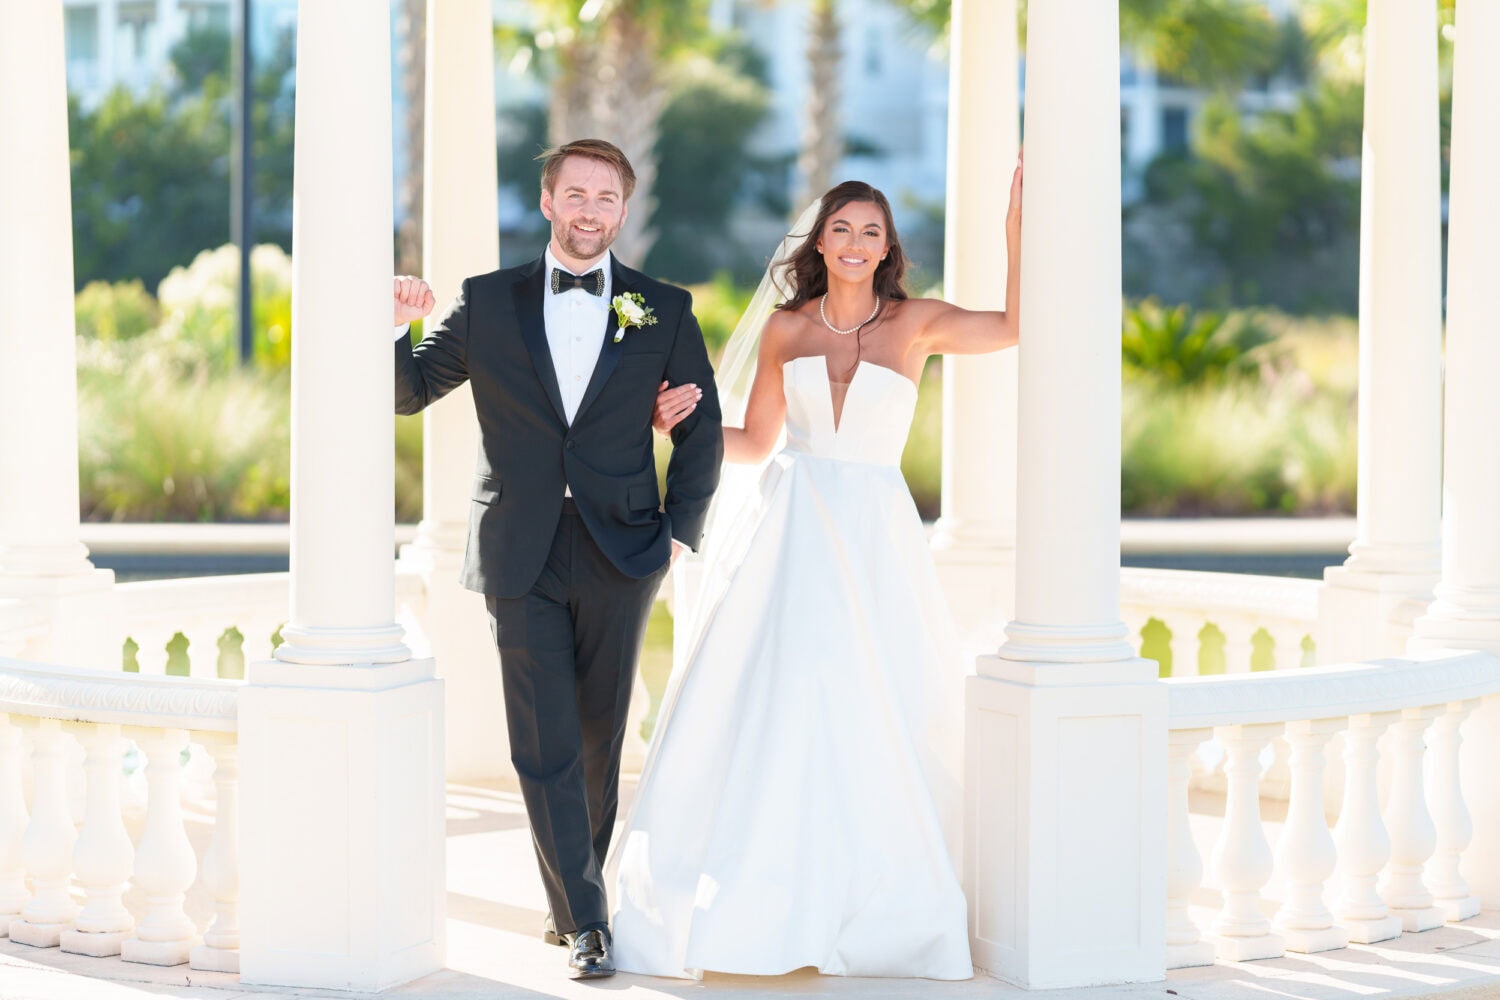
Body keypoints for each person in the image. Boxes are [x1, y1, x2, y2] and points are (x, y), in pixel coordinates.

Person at [608, 165, 1023, 981]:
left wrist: (1017, 228)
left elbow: (1016, 324)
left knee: (878, 695)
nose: (857, 244)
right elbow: (759, 441)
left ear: (888, 247)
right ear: (819, 242)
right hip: (787, 525)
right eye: (842, 229)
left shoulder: (918, 322)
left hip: (873, 531)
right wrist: (676, 431)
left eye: (872, 232)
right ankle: (754, 898)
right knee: (776, 694)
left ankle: (879, 905)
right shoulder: (786, 331)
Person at [390, 139, 723, 980]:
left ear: (622, 210)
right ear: (547, 203)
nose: (588, 211)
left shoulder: (663, 308)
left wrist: (679, 532)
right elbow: (409, 393)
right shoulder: (488, 302)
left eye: (604, 198)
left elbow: (701, 427)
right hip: (520, 548)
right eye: (574, 193)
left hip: (623, 546)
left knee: (599, 737)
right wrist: (398, 324)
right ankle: (588, 920)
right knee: (543, 742)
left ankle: (571, 900)